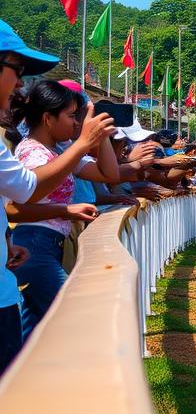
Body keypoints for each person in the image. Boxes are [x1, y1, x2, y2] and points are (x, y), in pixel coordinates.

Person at [0, 21, 117, 371]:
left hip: (27, 252)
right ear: (48, 119)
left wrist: (98, 136)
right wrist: (84, 142)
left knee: (31, 338)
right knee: (70, 321)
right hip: (36, 245)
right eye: (17, 70)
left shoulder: (60, 150)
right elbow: (22, 195)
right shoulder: (37, 153)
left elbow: (110, 175)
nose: (21, 82)